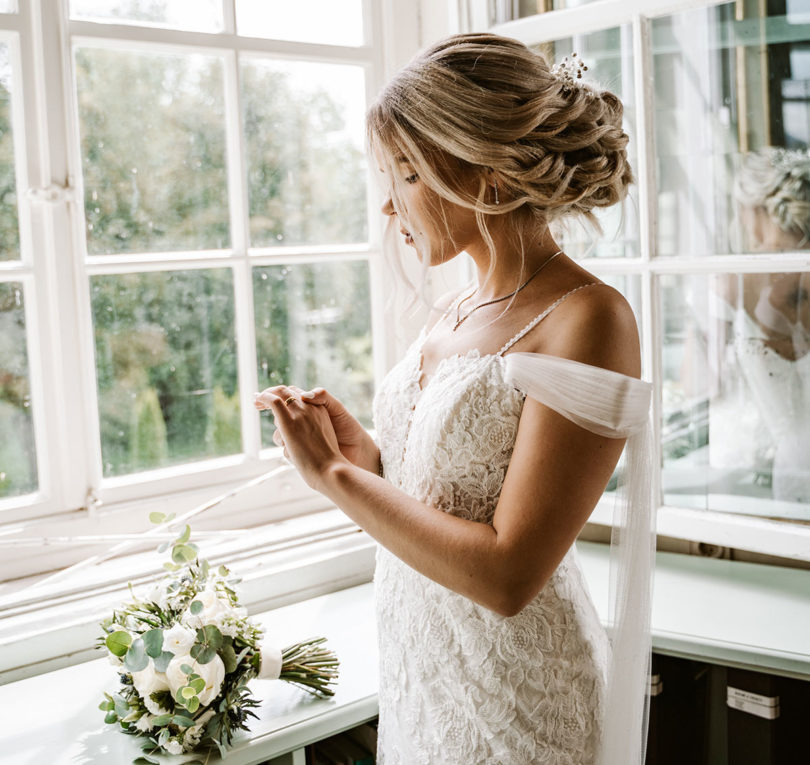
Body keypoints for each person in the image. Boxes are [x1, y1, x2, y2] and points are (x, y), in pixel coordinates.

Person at [255, 33, 653, 765]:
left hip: (522, 709)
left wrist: (336, 479)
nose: (387, 203)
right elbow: (443, 501)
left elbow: (507, 574)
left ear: (486, 174)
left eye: (406, 173)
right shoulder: (452, 309)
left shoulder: (588, 318)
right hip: (423, 684)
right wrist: (365, 458)